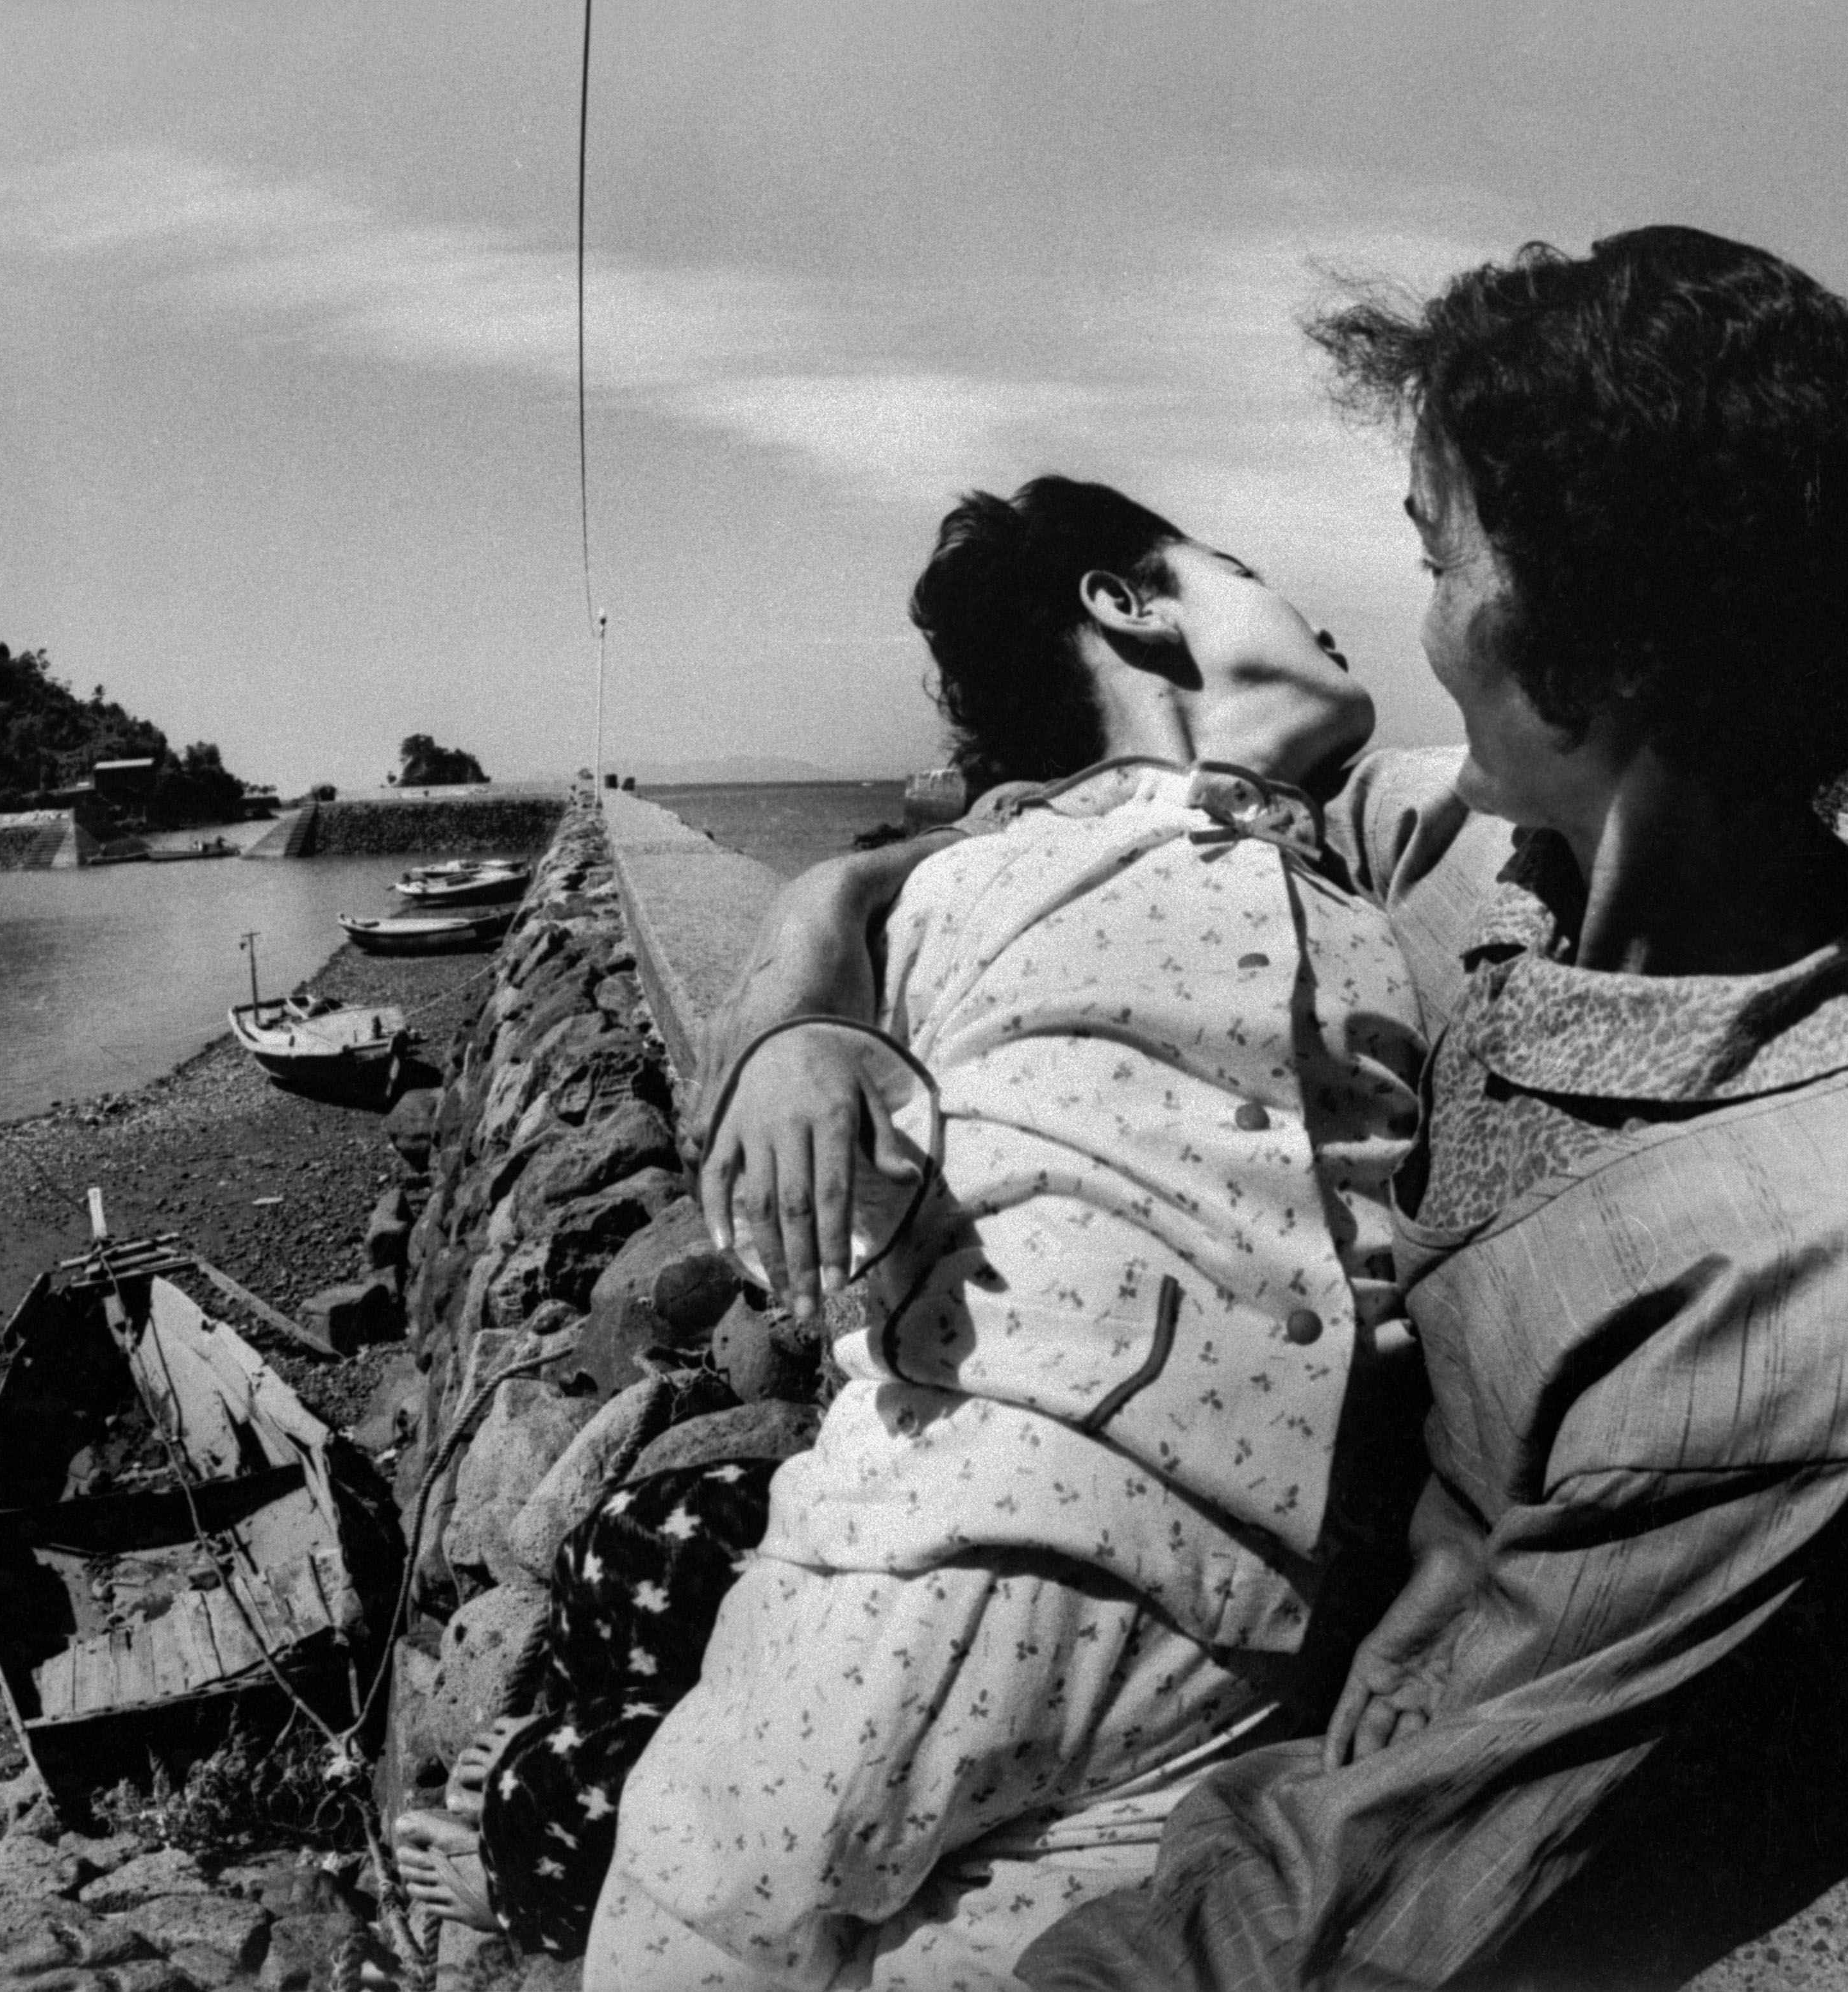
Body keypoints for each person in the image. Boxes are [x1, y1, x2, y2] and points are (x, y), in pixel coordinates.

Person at [710, 226, 1848, 1989]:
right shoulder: (1473, 840)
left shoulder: (1789, 1250)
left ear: (1581, 635)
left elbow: (1404, 1862)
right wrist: (815, 934)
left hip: (1303, 1758)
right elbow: (1135, 828)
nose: (1413, 607)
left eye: (1436, 549)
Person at [402, 475, 1432, 1982]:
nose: (1332, 614)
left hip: (1242, 1633)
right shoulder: (983, 877)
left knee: (988, 1947)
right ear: (1126, 604)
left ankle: (563, 1807)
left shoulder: (1374, 841)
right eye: (1247, 570)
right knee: (702, 1915)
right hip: (978, 1528)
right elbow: (790, 1156)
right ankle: (547, 1827)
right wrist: (798, 992)